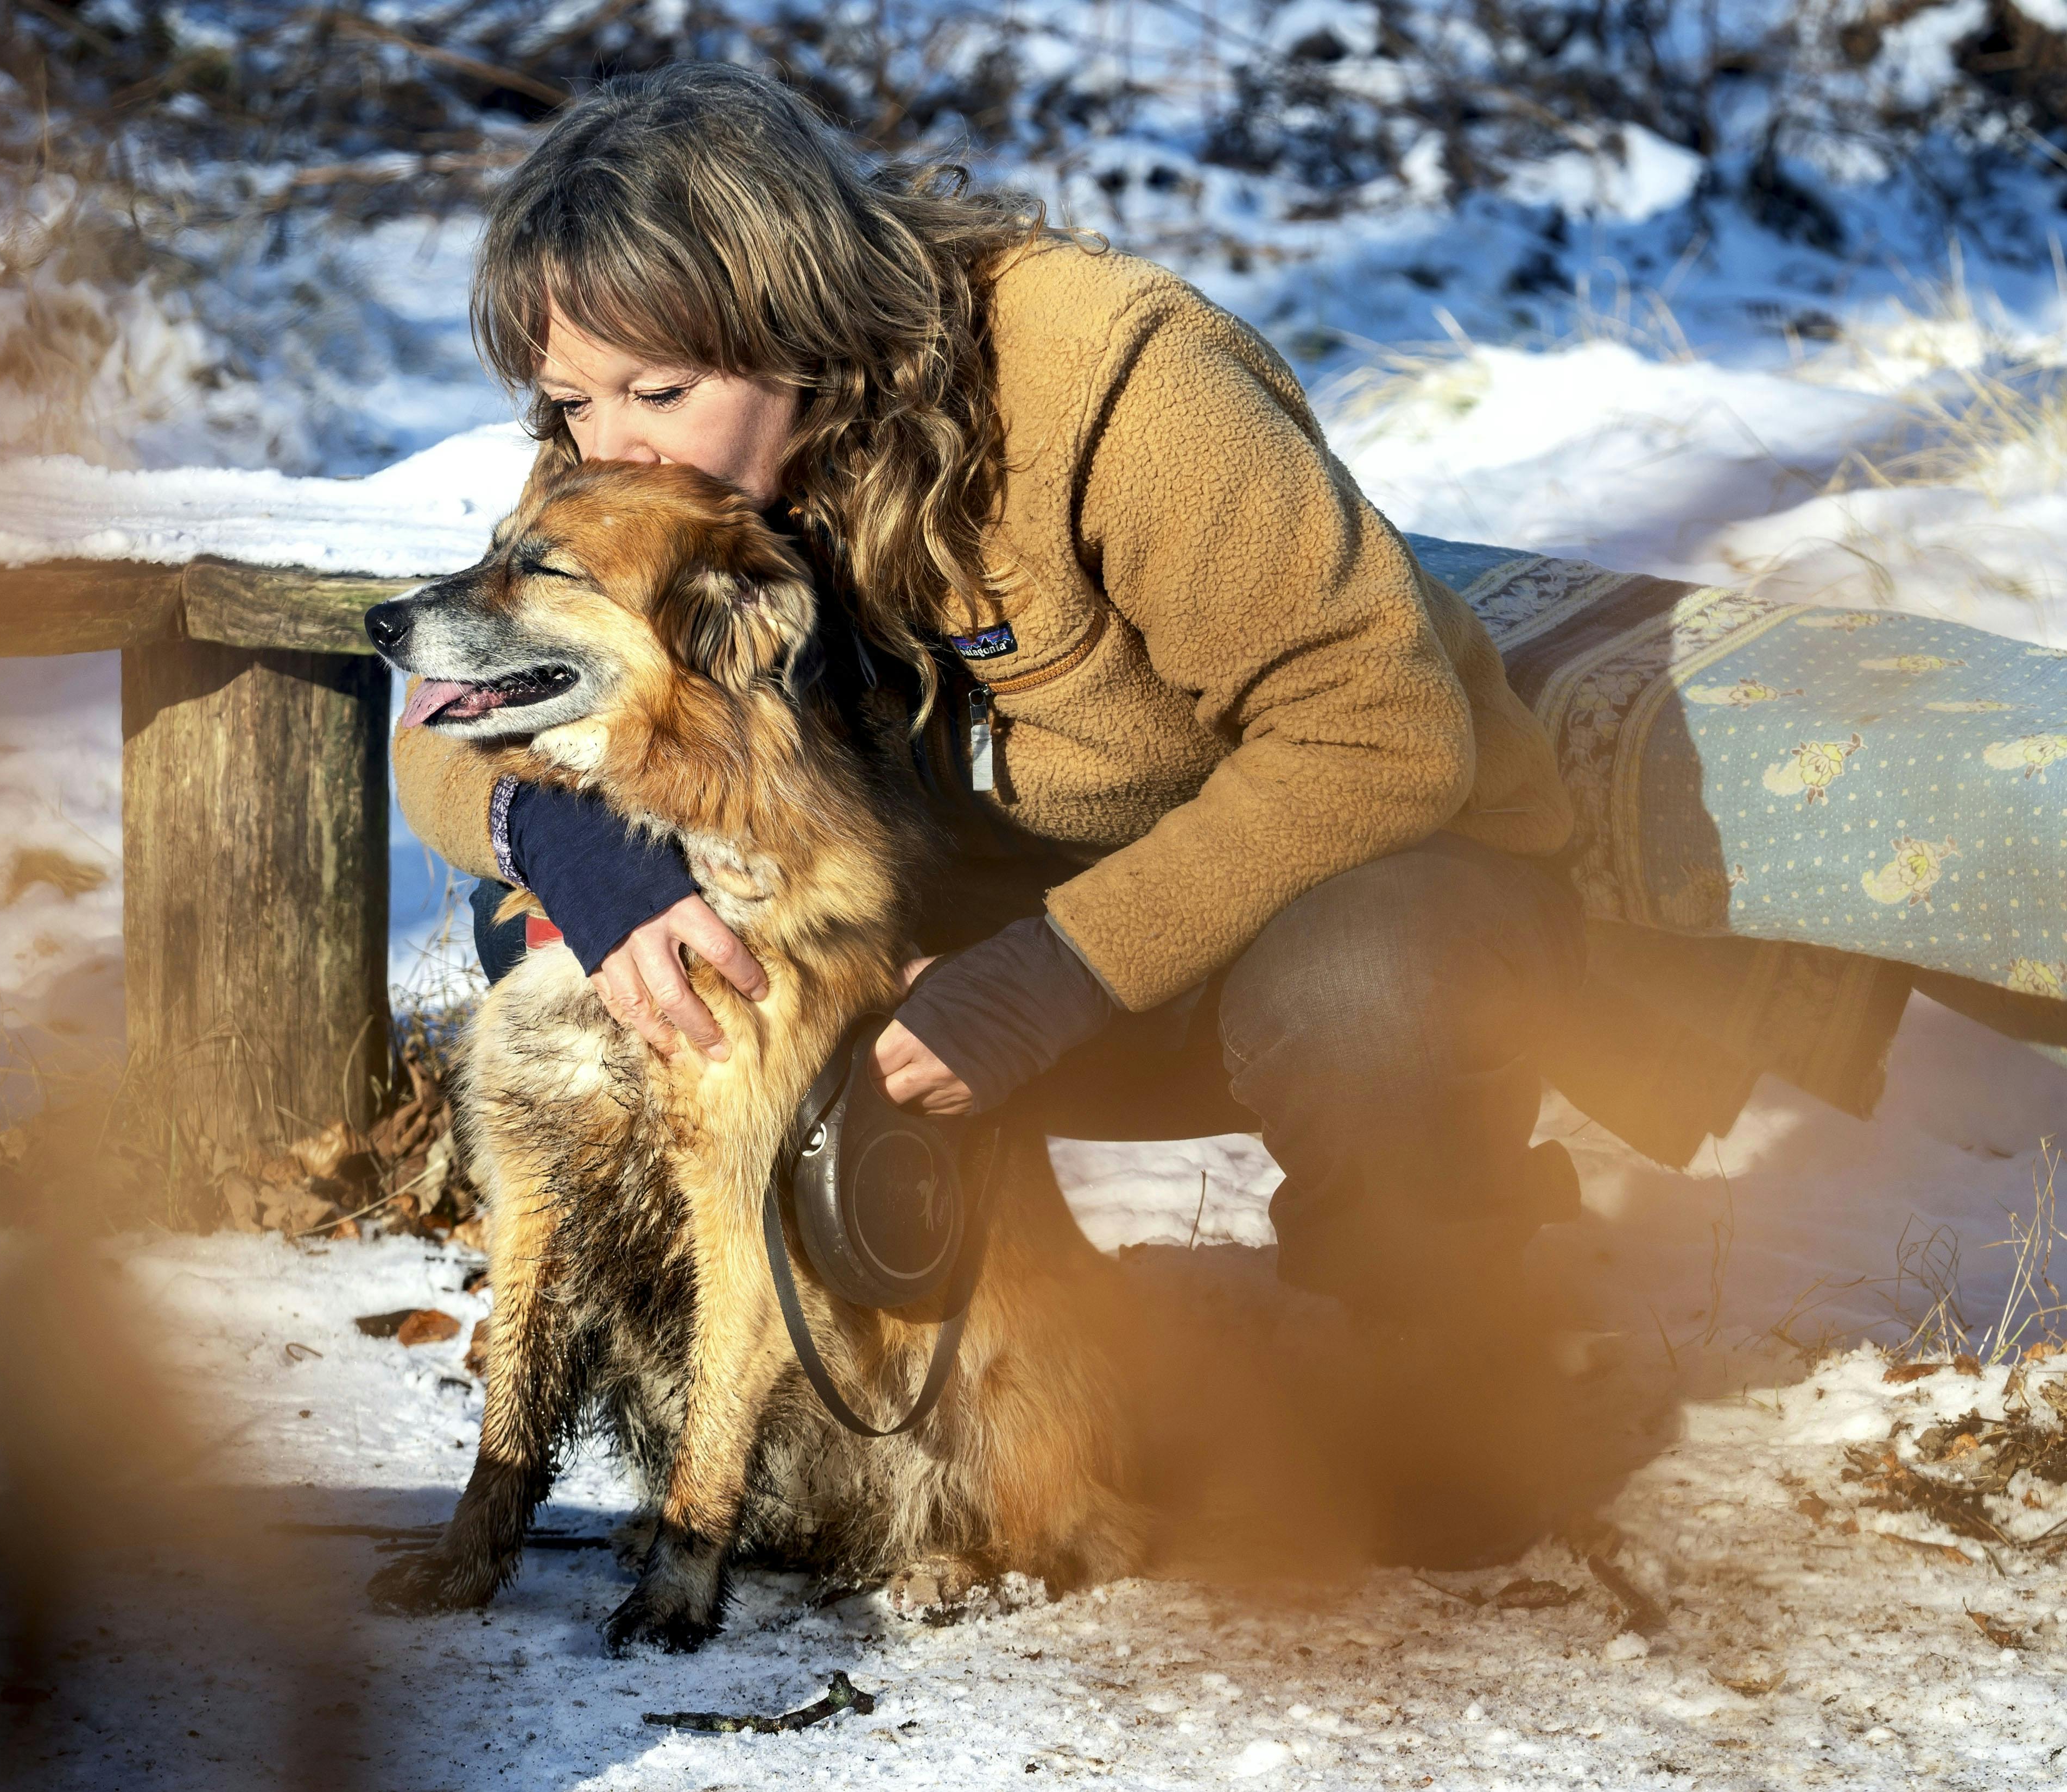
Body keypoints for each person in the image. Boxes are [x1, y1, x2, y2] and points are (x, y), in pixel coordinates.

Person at [392, 62, 1587, 1565]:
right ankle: (881, 1396)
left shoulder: (1117, 383)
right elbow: (446, 728)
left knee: (1367, 985)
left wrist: (1049, 975)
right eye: (572, 401)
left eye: (658, 392)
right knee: (564, 927)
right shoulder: (653, 465)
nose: (609, 447)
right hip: (945, 946)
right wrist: (584, 859)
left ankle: (1450, 1376)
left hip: (1314, 897)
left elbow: (1382, 733)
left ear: (795, 321)